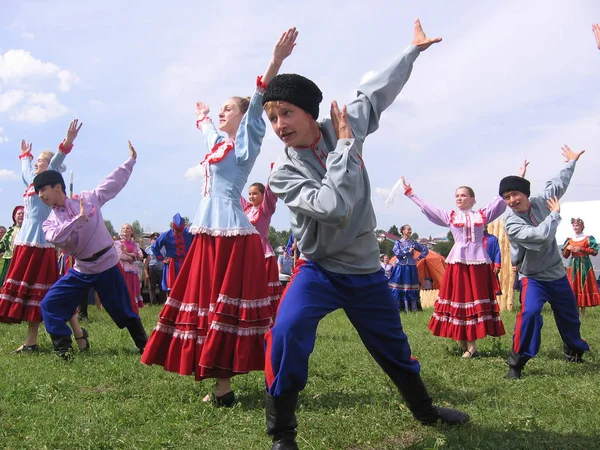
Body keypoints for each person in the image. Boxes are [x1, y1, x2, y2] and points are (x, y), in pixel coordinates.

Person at [263, 19, 468, 450]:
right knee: (286, 331)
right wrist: (343, 149)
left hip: (365, 271)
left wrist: (411, 52)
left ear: (307, 111)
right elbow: (332, 209)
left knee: (393, 348)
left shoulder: (344, 122)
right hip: (318, 270)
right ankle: (282, 433)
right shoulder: (283, 174)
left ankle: (426, 412)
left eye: (286, 113)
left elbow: (375, 92)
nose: (279, 125)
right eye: (271, 117)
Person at [141, 28, 298, 407]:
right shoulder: (217, 144)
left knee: (224, 308)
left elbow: (259, 98)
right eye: (223, 108)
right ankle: (222, 387)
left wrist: (275, 62)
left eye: (230, 108)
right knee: (207, 306)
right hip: (209, 234)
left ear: (244, 117)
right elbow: (208, 131)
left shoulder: (246, 143)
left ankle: (239, 384)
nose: (223, 111)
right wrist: (204, 117)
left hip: (232, 235)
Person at [36, 141, 147, 358]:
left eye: (43, 189)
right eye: (38, 191)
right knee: (49, 304)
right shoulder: (49, 221)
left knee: (124, 311)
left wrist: (130, 161)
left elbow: (111, 183)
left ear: (58, 187)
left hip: (106, 265)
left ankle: (145, 348)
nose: (40, 195)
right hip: (82, 270)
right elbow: (56, 238)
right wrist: (78, 220)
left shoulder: (87, 198)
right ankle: (63, 348)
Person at [501, 145, 589, 379]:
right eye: (506, 197)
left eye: (514, 195)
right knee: (529, 313)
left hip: (557, 274)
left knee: (569, 315)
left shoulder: (541, 201)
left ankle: (574, 349)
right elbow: (539, 238)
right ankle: (517, 363)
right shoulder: (511, 222)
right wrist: (555, 215)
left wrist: (571, 163)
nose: (511, 201)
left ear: (525, 193)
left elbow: (557, 184)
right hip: (532, 277)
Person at [400, 172, 511, 358]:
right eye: (457, 195)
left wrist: (516, 179)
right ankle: (463, 343)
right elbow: (429, 207)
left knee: (473, 299)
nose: (459, 198)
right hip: (458, 264)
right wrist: (411, 193)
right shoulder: (451, 216)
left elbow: (499, 201)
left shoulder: (481, 216)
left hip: (477, 264)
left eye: (463, 195)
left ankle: (472, 344)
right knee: (458, 299)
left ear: (472, 199)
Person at [0, 120, 83, 354]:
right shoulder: (33, 183)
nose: (37, 165)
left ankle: (67, 334)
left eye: (40, 162)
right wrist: (25, 155)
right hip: (26, 240)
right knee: (34, 292)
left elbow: (57, 159)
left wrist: (68, 140)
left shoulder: (50, 177)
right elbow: (26, 171)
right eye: (36, 162)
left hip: (40, 241)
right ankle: (37, 340)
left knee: (42, 291)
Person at [242, 180, 282, 312]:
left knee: (262, 288)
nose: (251, 196)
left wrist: (273, 174)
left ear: (263, 195)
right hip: (246, 251)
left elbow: (271, 193)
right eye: (249, 194)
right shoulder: (246, 208)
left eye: (254, 193)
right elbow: (234, 194)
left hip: (262, 252)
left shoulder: (265, 209)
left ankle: (268, 318)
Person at [562, 218, 600, 317]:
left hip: (585, 265)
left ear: (581, 226)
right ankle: (575, 312)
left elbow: (595, 251)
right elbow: (565, 255)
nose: (575, 228)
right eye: (574, 226)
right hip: (573, 265)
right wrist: (567, 248)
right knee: (573, 286)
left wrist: (581, 249)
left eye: (577, 226)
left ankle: (583, 313)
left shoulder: (588, 238)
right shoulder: (570, 240)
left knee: (584, 285)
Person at [389, 224, 428, 312]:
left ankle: (412, 308)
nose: (410, 231)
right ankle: (398, 308)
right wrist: (407, 251)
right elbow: (397, 254)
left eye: (410, 229)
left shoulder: (413, 243)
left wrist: (418, 258)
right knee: (398, 287)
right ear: (403, 231)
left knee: (410, 287)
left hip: (411, 267)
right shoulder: (398, 242)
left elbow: (425, 249)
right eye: (408, 229)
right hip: (400, 267)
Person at [150, 213, 193, 292]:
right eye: (177, 231)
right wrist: (162, 259)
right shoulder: (166, 235)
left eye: (181, 231)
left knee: (188, 287)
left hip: (187, 264)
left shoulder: (190, 232)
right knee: (172, 288)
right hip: (173, 265)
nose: (179, 233)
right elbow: (154, 247)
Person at [116, 223, 144, 309]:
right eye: (123, 228)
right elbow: (120, 255)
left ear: (131, 231)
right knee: (124, 287)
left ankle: (133, 306)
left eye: (127, 228)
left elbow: (140, 255)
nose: (125, 230)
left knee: (132, 288)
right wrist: (131, 256)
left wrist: (129, 254)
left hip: (132, 269)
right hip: (122, 268)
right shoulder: (118, 243)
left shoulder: (135, 244)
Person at [0, 207, 24, 287]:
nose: (21, 215)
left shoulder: (28, 230)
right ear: (14, 216)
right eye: (19, 213)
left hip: (22, 258)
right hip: (9, 259)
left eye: (23, 214)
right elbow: (2, 245)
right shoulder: (10, 231)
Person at [145, 232, 167, 304]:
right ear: (151, 240)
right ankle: (153, 302)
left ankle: (162, 302)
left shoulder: (164, 248)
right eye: (154, 239)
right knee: (152, 287)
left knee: (162, 286)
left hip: (161, 269)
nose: (155, 240)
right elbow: (145, 261)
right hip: (152, 268)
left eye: (157, 239)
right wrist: (146, 272)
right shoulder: (148, 249)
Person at [483, 225, 503, 296]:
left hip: (490, 268)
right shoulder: (473, 239)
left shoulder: (493, 239)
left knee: (491, 291)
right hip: (477, 268)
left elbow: (497, 252)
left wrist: (497, 265)